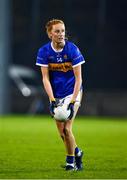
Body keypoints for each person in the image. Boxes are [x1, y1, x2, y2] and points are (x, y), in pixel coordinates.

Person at [36, 19, 85, 171]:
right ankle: (77, 152)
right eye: (57, 31)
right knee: (62, 134)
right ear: (50, 34)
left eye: (62, 31)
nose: (61, 34)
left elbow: (79, 79)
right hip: (56, 95)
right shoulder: (44, 51)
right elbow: (45, 78)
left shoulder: (72, 50)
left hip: (73, 92)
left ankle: (71, 163)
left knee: (67, 129)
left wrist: (72, 102)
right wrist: (51, 100)